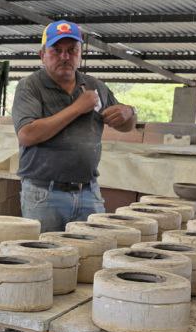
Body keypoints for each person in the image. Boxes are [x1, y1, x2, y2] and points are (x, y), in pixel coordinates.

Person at [11, 20, 136, 232]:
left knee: (93, 254)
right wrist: (78, 107)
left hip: (89, 192)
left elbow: (126, 126)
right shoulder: (30, 86)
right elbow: (27, 134)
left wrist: (129, 113)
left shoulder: (95, 86)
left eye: (72, 50)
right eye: (57, 50)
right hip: (44, 194)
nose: (65, 57)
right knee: (46, 257)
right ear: (42, 55)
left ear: (80, 54)